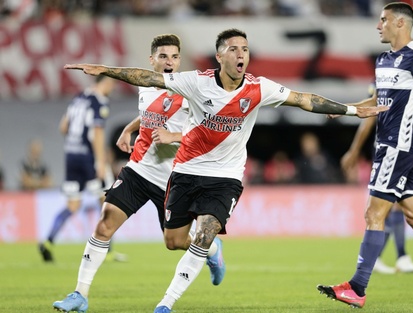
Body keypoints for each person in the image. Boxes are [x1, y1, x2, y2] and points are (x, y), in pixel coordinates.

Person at [64, 28, 388, 313]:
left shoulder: (255, 88)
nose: (241, 54)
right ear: (220, 56)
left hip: (224, 177)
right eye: (233, 49)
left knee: (203, 234)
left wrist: (349, 110)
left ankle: (166, 304)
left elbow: (304, 99)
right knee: (170, 240)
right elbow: (147, 85)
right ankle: (81, 293)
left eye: (245, 49)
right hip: (177, 172)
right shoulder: (193, 83)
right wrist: (107, 73)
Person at [52, 34, 226, 313]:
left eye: (174, 57)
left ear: (179, 60)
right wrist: (130, 128)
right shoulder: (145, 84)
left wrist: (174, 136)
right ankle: (79, 295)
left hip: (171, 180)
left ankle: (213, 250)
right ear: (152, 60)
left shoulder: (192, 91)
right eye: (163, 56)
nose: (169, 62)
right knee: (104, 223)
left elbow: (209, 134)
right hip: (137, 170)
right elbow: (149, 112)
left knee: (175, 242)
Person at [317, 2, 413, 308]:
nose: (378, 26)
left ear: (400, 23)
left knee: (373, 214)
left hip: (398, 148)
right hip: (391, 148)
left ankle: (357, 288)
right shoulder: (384, 59)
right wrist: (348, 109)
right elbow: (379, 99)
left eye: (383, 20)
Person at [340, 82, 413, 274]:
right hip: (390, 152)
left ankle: (389, 257)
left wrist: (354, 150)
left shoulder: (392, 80)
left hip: (397, 151)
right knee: (390, 209)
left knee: (391, 209)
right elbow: (371, 115)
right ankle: (400, 256)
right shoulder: (392, 82)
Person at [38, 74, 116, 263]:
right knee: (106, 201)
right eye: (111, 84)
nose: (111, 88)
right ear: (104, 83)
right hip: (88, 158)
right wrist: (99, 161)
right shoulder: (99, 102)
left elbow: (63, 127)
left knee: (73, 205)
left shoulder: (78, 98)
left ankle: (48, 241)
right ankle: (108, 250)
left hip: (71, 156)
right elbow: (97, 133)